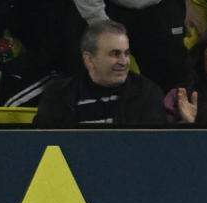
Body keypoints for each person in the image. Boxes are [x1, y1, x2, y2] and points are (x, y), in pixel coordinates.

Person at [34, 19, 170, 125]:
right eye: (115, 54)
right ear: (89, 60)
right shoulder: (58, 96)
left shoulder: (147, 94)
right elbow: (41, 145)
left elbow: (152, 151)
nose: (124, 62)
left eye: (126, 53)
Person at [70, 0, 189, 94]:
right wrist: (98, 21)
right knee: (107, 74)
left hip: (163, 9)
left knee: (171, 77)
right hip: (112, 11)